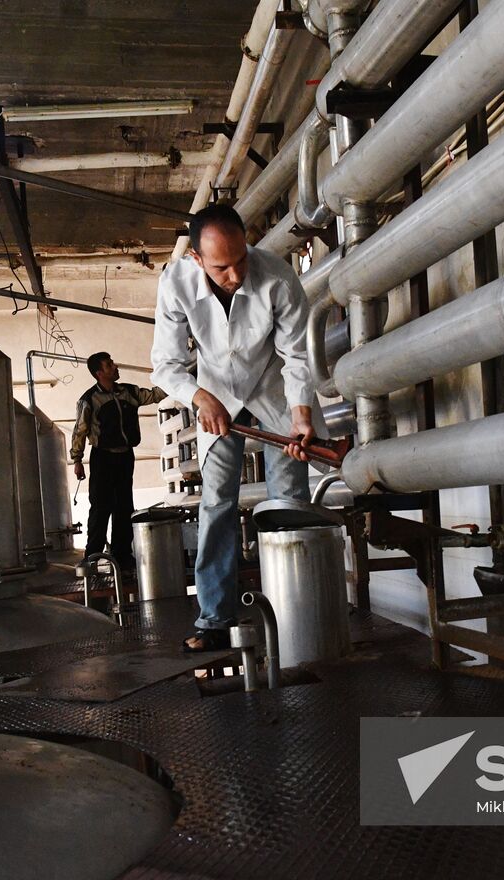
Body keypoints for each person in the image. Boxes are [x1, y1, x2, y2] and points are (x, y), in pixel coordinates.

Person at [151, 203, 323, 652]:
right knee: (216, 505)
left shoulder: (278, 277)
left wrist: (300, 415)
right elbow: (165, 366)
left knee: (287, 504)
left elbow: (297, 356)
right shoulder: (175, 284)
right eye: (221, 267)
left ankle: (293, 613)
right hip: (215, 396)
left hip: (272, 390)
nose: (234, 274)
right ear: (196, 259)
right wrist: (197, 397)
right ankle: (214, 618)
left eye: (240, 259)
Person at [70, 352, 166, 570]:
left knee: (124, 506)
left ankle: (122, 554)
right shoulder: (89, 400)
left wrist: (178, 381)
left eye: (112, 362)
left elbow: (153, 395)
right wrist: (77, 459)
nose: (114, 366)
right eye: (109, 365)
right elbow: (80, 431)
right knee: (101, 506)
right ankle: (92, 555)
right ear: (98, 373)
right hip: (102, 457)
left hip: (125, 456)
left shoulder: (128, 392)